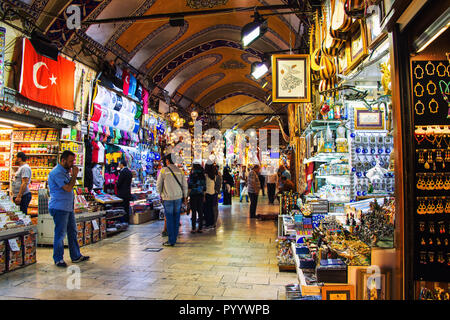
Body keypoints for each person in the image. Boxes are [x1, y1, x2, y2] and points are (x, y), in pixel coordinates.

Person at [48, 150, 89, 267]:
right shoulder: (57, 173)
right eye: (70, 161)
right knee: (60, 234)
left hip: (67, 207)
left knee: (72, 231)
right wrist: (75, 175)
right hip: (59, 207)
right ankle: (58, 259)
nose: (72, 163)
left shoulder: (65, 172)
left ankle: (75, 255)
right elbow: (68, 188)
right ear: (63, 160)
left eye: (73, 161)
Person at [156, 154, 188, 246]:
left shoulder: (163, 171)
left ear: (167, 161)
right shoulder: (180, 171)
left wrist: (161, 194)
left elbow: (158, 185)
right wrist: (185, 197)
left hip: (168, 198)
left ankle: (171, 240)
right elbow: (185, 185)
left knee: (169, 219)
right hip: (178, 198)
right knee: (176, 218)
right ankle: (174, 238)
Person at [187, 163, 206, 233]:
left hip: (193, 195)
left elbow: (190, 186)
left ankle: (193, 228)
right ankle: (200, 228)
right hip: (200, 194)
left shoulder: (192, 175)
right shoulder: (202, 175)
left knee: (194, 211)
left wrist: (187, 195)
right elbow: (204, 187)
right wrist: (204, 195)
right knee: (200, 211)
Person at [203, 163, 216, 229]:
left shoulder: (206, 175)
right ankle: (212, 223)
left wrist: (204, 196)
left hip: (207, 194)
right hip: (212, 193)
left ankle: (208, 224)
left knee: (207, 210)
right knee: (211, 209)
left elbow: (204, 187)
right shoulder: (214, 176)